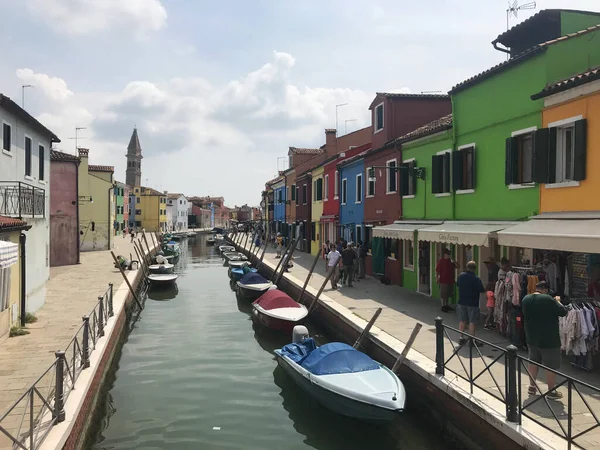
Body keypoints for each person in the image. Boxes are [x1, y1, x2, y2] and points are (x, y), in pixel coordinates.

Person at [522, 281, 567, 399]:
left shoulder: (526, 298)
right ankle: (551, 391)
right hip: (549, 339)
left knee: (533, 362)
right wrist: (557, 301)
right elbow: (563, 312)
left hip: (531, 337)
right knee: (550, 365)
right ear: (546, 289)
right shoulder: (548, 299)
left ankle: (532, 387)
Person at [456, 261, 485, 347]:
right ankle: (472, 340)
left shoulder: (461, 276)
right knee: (472, 321)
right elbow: (481, 290)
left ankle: (461, 337)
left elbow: (458, 285)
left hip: (462, 301)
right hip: (473, 302)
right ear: (474, 269)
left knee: (462, 320)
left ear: (467, 267)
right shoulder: (476, 279)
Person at [436, 248, 458, 312]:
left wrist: (454, 261)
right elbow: (437, 270)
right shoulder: (441, 261)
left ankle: (446, 305)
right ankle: (443, 306)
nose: (449, 255)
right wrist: (437, 278)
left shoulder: (451, 261)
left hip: (450, 280)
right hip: (443, 280)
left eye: (449, 254)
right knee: (443, 293)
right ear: (444, 254)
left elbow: (458, 266)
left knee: (448, 293)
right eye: (448, 254)